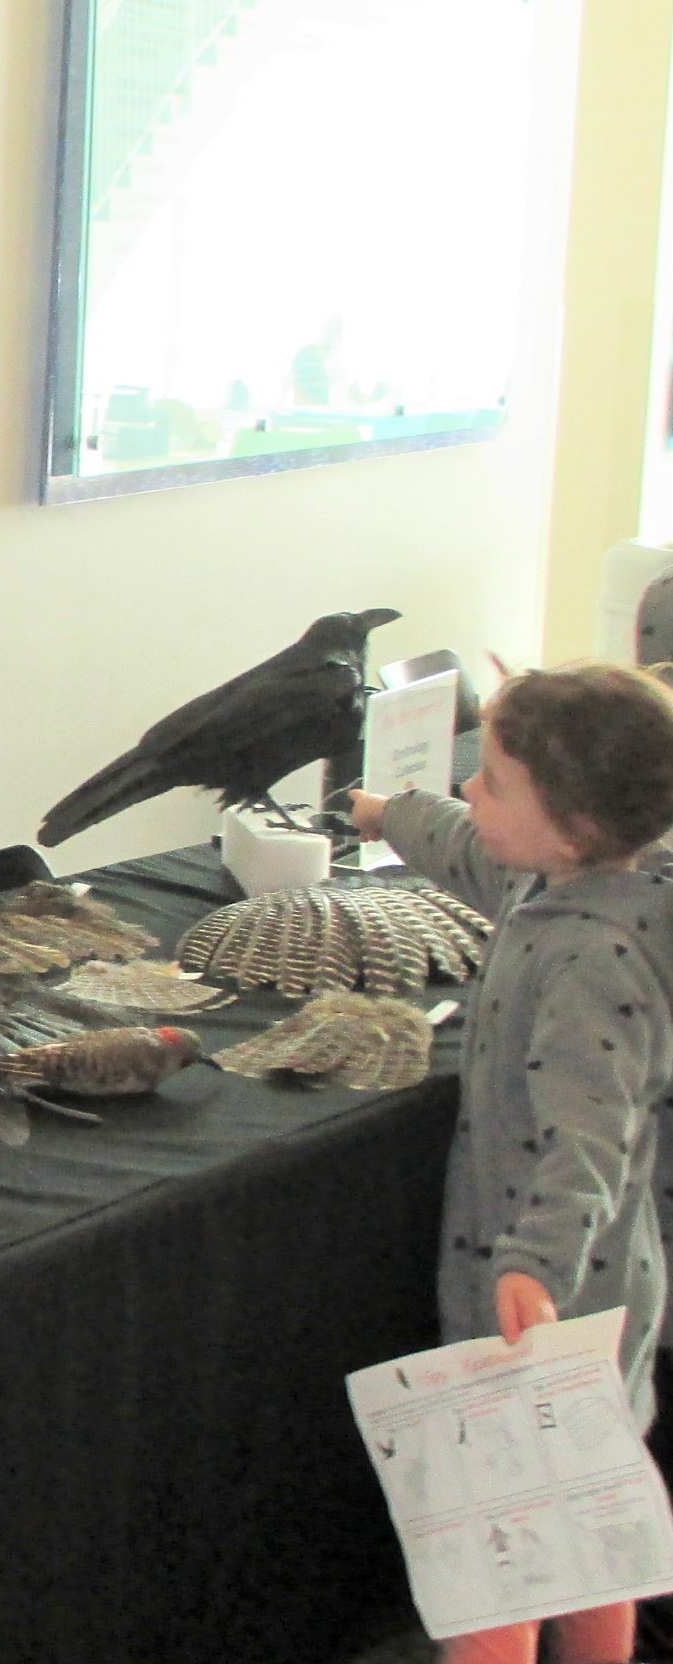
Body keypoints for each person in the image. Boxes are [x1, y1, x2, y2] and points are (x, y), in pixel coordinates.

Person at [349, 662, 673, 1664]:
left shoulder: (594, 960)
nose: (469, 795)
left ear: (570, 825)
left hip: (552, 1301)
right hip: (604, 1291)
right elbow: (467, 849)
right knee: (592, 1521)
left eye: (489, 779)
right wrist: (382, 809)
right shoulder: (567, 871)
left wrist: (532, 1266)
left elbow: (590, 1139)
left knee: (499, 1553)